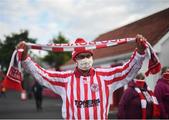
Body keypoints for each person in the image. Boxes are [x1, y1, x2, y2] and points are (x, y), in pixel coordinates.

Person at [17, 34, 147, 119]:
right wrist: (25, 59)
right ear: (75, 59)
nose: (85, 59)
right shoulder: (65, 79)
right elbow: (41, 74)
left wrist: (140, 53)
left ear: (92, 57)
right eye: (81, 57)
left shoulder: (105, 76)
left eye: (88, 56)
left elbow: (127, 71)